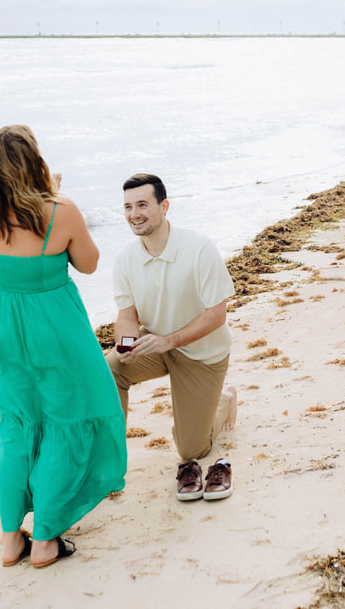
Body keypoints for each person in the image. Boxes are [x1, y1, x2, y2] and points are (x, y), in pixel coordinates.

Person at [0, 125, 127, 568]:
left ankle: (9, 541)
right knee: (68, 416)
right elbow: (89, 263)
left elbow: (6, 258)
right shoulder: (60, 211)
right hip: (55, 328)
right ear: (33, 162)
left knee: (19, 424)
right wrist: (55, 198)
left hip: (4, 327)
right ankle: (44, 539)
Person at [106, 173, 238, 502]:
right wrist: (125, 345)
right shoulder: (124, 260)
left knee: (193, 449)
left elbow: (217, 313)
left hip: (202, 354)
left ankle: (226, 401)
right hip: (156, 345)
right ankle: (110, 463)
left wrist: (169, 341)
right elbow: (126, 317)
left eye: (142, 205)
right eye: (127, 207)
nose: (134, 214)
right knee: (108, 369)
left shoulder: (198, 248)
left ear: (164, 206)